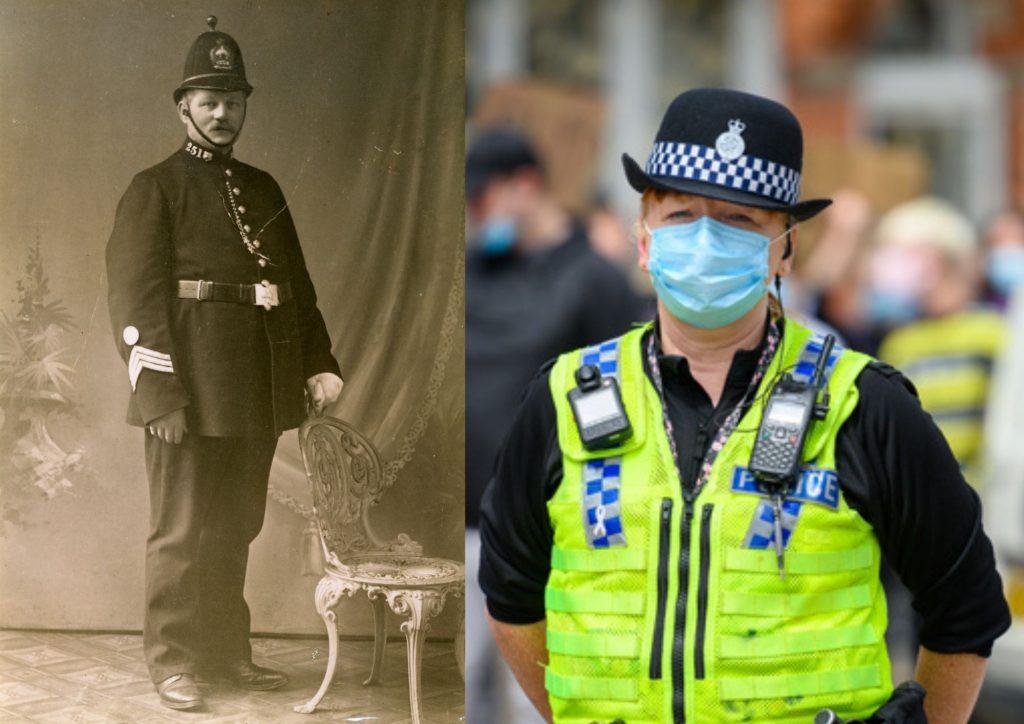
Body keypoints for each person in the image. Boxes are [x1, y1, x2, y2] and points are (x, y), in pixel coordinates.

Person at [479, 88, 1010, 724]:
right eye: (680, 216)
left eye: (740, 222)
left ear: (784, 248)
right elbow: (510, 595)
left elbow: (967, 607)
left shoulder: (864, 405)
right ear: (644, 239)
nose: (706, 241)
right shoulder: (564, 398)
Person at [105, 17, 343, 711]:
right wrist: (159, 395)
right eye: (208, 100)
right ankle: (174, 662)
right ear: (183, 106)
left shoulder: (264, 189)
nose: (221, 112)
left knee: (234, 526)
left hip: (255, 389)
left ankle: (224, 656)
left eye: (233, 100)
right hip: (187, 392)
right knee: (180, 529)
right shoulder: (155, 188)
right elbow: (135, 300)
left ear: (244, 107)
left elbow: (294, 285)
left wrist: (318, 360)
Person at [465, 126, 645, 723]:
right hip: (458, 531)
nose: (470, 215)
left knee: (538, 704)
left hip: (551, 540)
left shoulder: (592, 278)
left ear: (524, 186)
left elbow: (627, 399)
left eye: (478, 199)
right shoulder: (469, 270)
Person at [873, 198, 1005, 486]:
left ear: (936, 258)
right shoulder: (899, 342)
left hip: (985, 504)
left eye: (900, 253)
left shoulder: (992, 332)